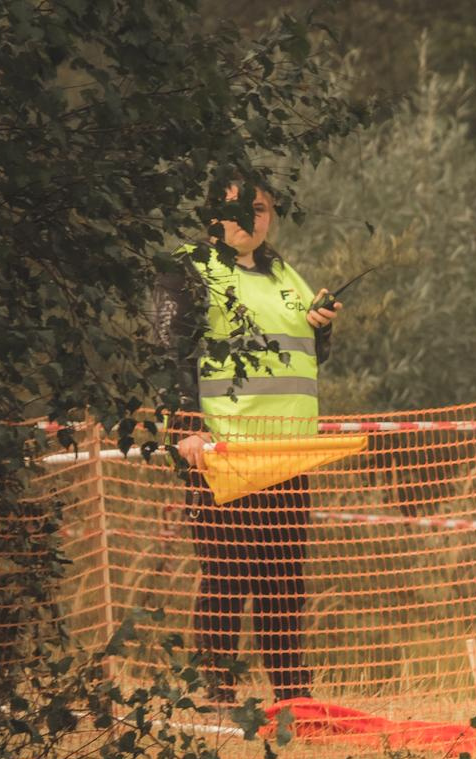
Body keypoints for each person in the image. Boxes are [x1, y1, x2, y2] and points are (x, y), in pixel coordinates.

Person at [150, 177, 340, 703]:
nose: (246, 218)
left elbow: (306, 359)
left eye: (257, 208)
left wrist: (321, 327)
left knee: (284, 587)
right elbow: (168, 353)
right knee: (227, 579)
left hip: (286, 455)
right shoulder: (188, 268)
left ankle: (293, 700)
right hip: (222, 454)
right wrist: (185, 426)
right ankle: (218, 696)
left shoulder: (285, 274)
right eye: (233, 208)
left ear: (271, 215)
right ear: (211, 211)